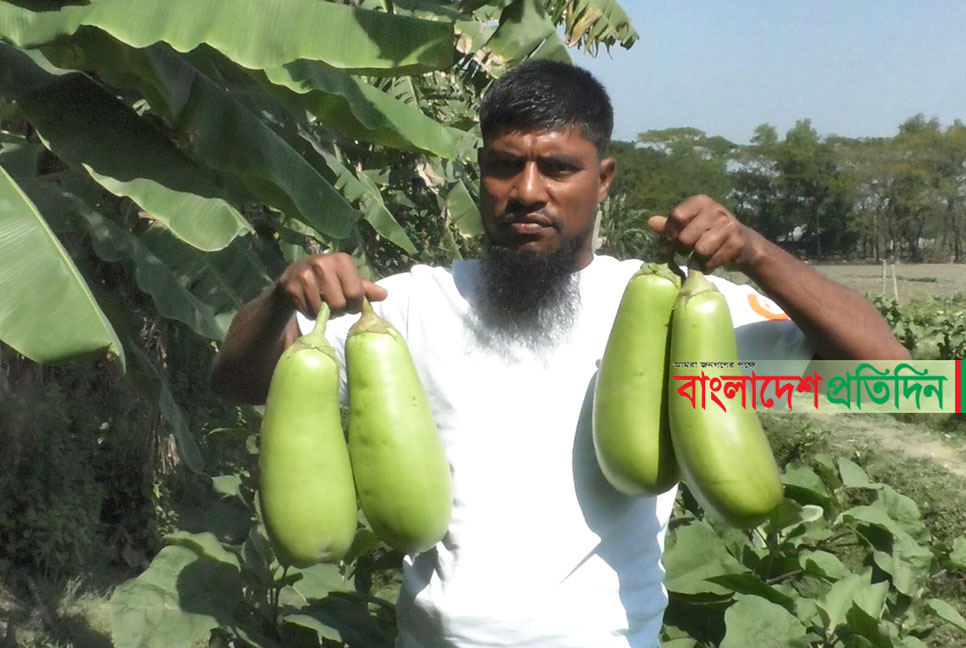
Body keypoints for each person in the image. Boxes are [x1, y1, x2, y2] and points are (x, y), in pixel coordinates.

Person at [211, 59, 909, 647]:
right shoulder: (403, 310)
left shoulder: (676, 313)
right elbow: (241, 381)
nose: (527, 192)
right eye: (505, 166)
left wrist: (756, 254)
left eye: (558, 168)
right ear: (479, 174)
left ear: (603, 180)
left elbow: (901, 384)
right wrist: (280, 300)